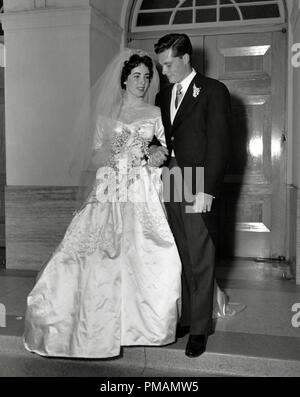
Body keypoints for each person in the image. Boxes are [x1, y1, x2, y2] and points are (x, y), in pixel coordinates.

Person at [23, 49, 182, 359]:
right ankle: (89, 322)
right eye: (136, 76)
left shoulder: (154, 113)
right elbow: (96, 156)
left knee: (150, 252)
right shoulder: (107, 116)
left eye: (147, 77)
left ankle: (145, 325)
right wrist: (120, 150)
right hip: (110, 187)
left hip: (143, 192)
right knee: (94, 256)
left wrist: (153, 154)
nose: (142, 82)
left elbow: (163, 150)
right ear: (123, 79)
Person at [151, 33, 232, 358]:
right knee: (181, 254)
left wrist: (207, 190)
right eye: (161, 65)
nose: (164, 71)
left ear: (186, 59)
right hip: (171, 177)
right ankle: (186, 318)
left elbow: (220, 144)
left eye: (168, 64)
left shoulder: (213, 91)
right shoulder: (163, 95)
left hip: (197, 180)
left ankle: (200, 328)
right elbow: (158, 138)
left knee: (200, 257)